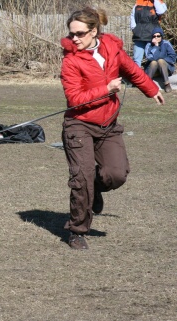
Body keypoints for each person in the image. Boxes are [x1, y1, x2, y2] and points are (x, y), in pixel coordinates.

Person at [60, 7, 165, 250]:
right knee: (81, 178)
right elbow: (75, 98)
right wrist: (106, 89)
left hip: (108, 123)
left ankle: (95, 189)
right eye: (71, 33)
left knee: (116, 174)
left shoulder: (111, 48)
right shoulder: (71, 60)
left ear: (94, 31)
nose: (74, 38)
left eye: (79, 33)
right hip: (79, 124)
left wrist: (152, 90)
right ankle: (77, 230)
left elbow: (133, 71)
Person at [130, 0, 167, 67]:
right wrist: (134, 28)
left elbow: (161, 11)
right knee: (136, 59)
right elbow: (133, 15)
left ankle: (151, 74)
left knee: (153, 57)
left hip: (153, 35)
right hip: (139, 35)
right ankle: (137, 75)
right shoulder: (138, 2)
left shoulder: (159, 3)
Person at [143, 26, 176, 93]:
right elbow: (149, 57)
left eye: (158, 36)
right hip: (153, 69)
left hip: (165, 68)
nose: (156, 38)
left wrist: (163, 59)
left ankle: (167, 84)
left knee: (160, 61)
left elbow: (173, 57)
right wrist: (156, 46)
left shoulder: (166, 43)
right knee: (154, 62)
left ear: (161, 36)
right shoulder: (149, 45)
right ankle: (147, 84)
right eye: (154, 36)